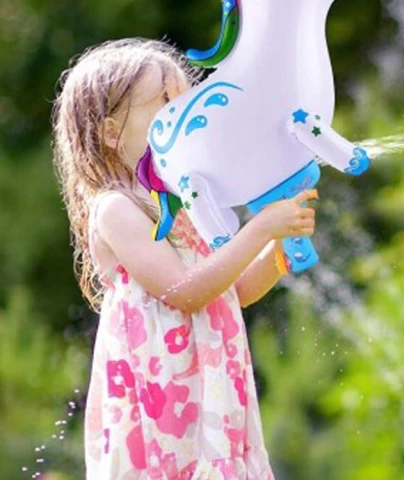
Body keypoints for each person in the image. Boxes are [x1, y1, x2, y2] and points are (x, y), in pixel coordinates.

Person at [52, 38, 317, 479]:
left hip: (212, 400)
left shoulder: (186, 202)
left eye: (184, 99)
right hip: (164, 410)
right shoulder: (117, 209)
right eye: (165, 102)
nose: (184, 113)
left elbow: (234, 291)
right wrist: (260, 228)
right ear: (112, 132)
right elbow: (186, 292)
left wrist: (279, 247)